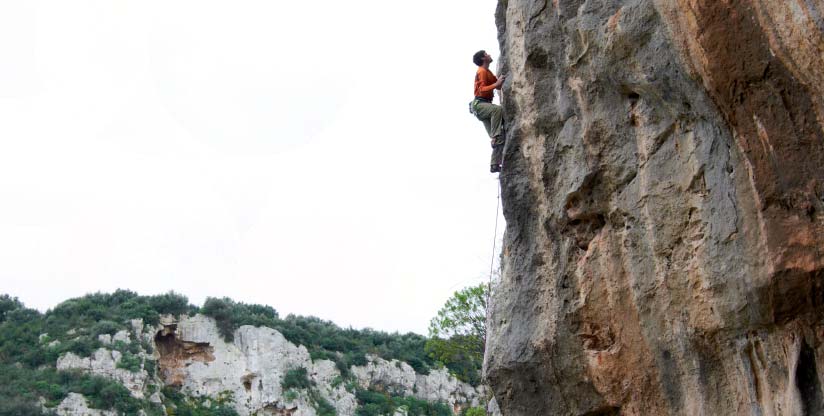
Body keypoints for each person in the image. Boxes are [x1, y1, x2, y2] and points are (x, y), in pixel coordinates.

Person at [470, 50, 506, 173]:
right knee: (497, 110)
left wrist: (499, 81)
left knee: (500, 137)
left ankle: (494, 165)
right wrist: (496, 84)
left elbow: (498, 85)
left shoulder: (488, 73)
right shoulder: (481, 71)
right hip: (479, 104)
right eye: (486, 54)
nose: (489, 54)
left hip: (483, 106)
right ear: (483, 58)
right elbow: (481, 90)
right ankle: (495, 137)